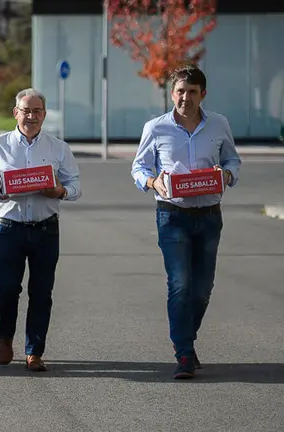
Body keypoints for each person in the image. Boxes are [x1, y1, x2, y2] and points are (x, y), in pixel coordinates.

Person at [131, 65, 241, 379]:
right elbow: (139, 169)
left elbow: (232, 159)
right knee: (179, 284)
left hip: (209, 216)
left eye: (192, 92)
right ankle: (183, 352)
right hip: (172, 214)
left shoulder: (219, 125)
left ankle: (186, 340)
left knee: (202, 288)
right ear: (172, 93)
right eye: (180, 91)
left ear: (202, 94)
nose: (185, 97)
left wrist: (228, 174)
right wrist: (153, 183)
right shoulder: (156, 128)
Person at [0, 88, 81, 371]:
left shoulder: (59, 148)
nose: (31, 116)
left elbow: (76, 187)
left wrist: (59, 191)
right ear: (15, 113)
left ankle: (34, 350)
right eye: (26, 111)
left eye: (37, 111)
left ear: (44, 115)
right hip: (10, 227)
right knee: (7, 288)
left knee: (42, 291)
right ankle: (5, 337)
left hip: (46, 229)